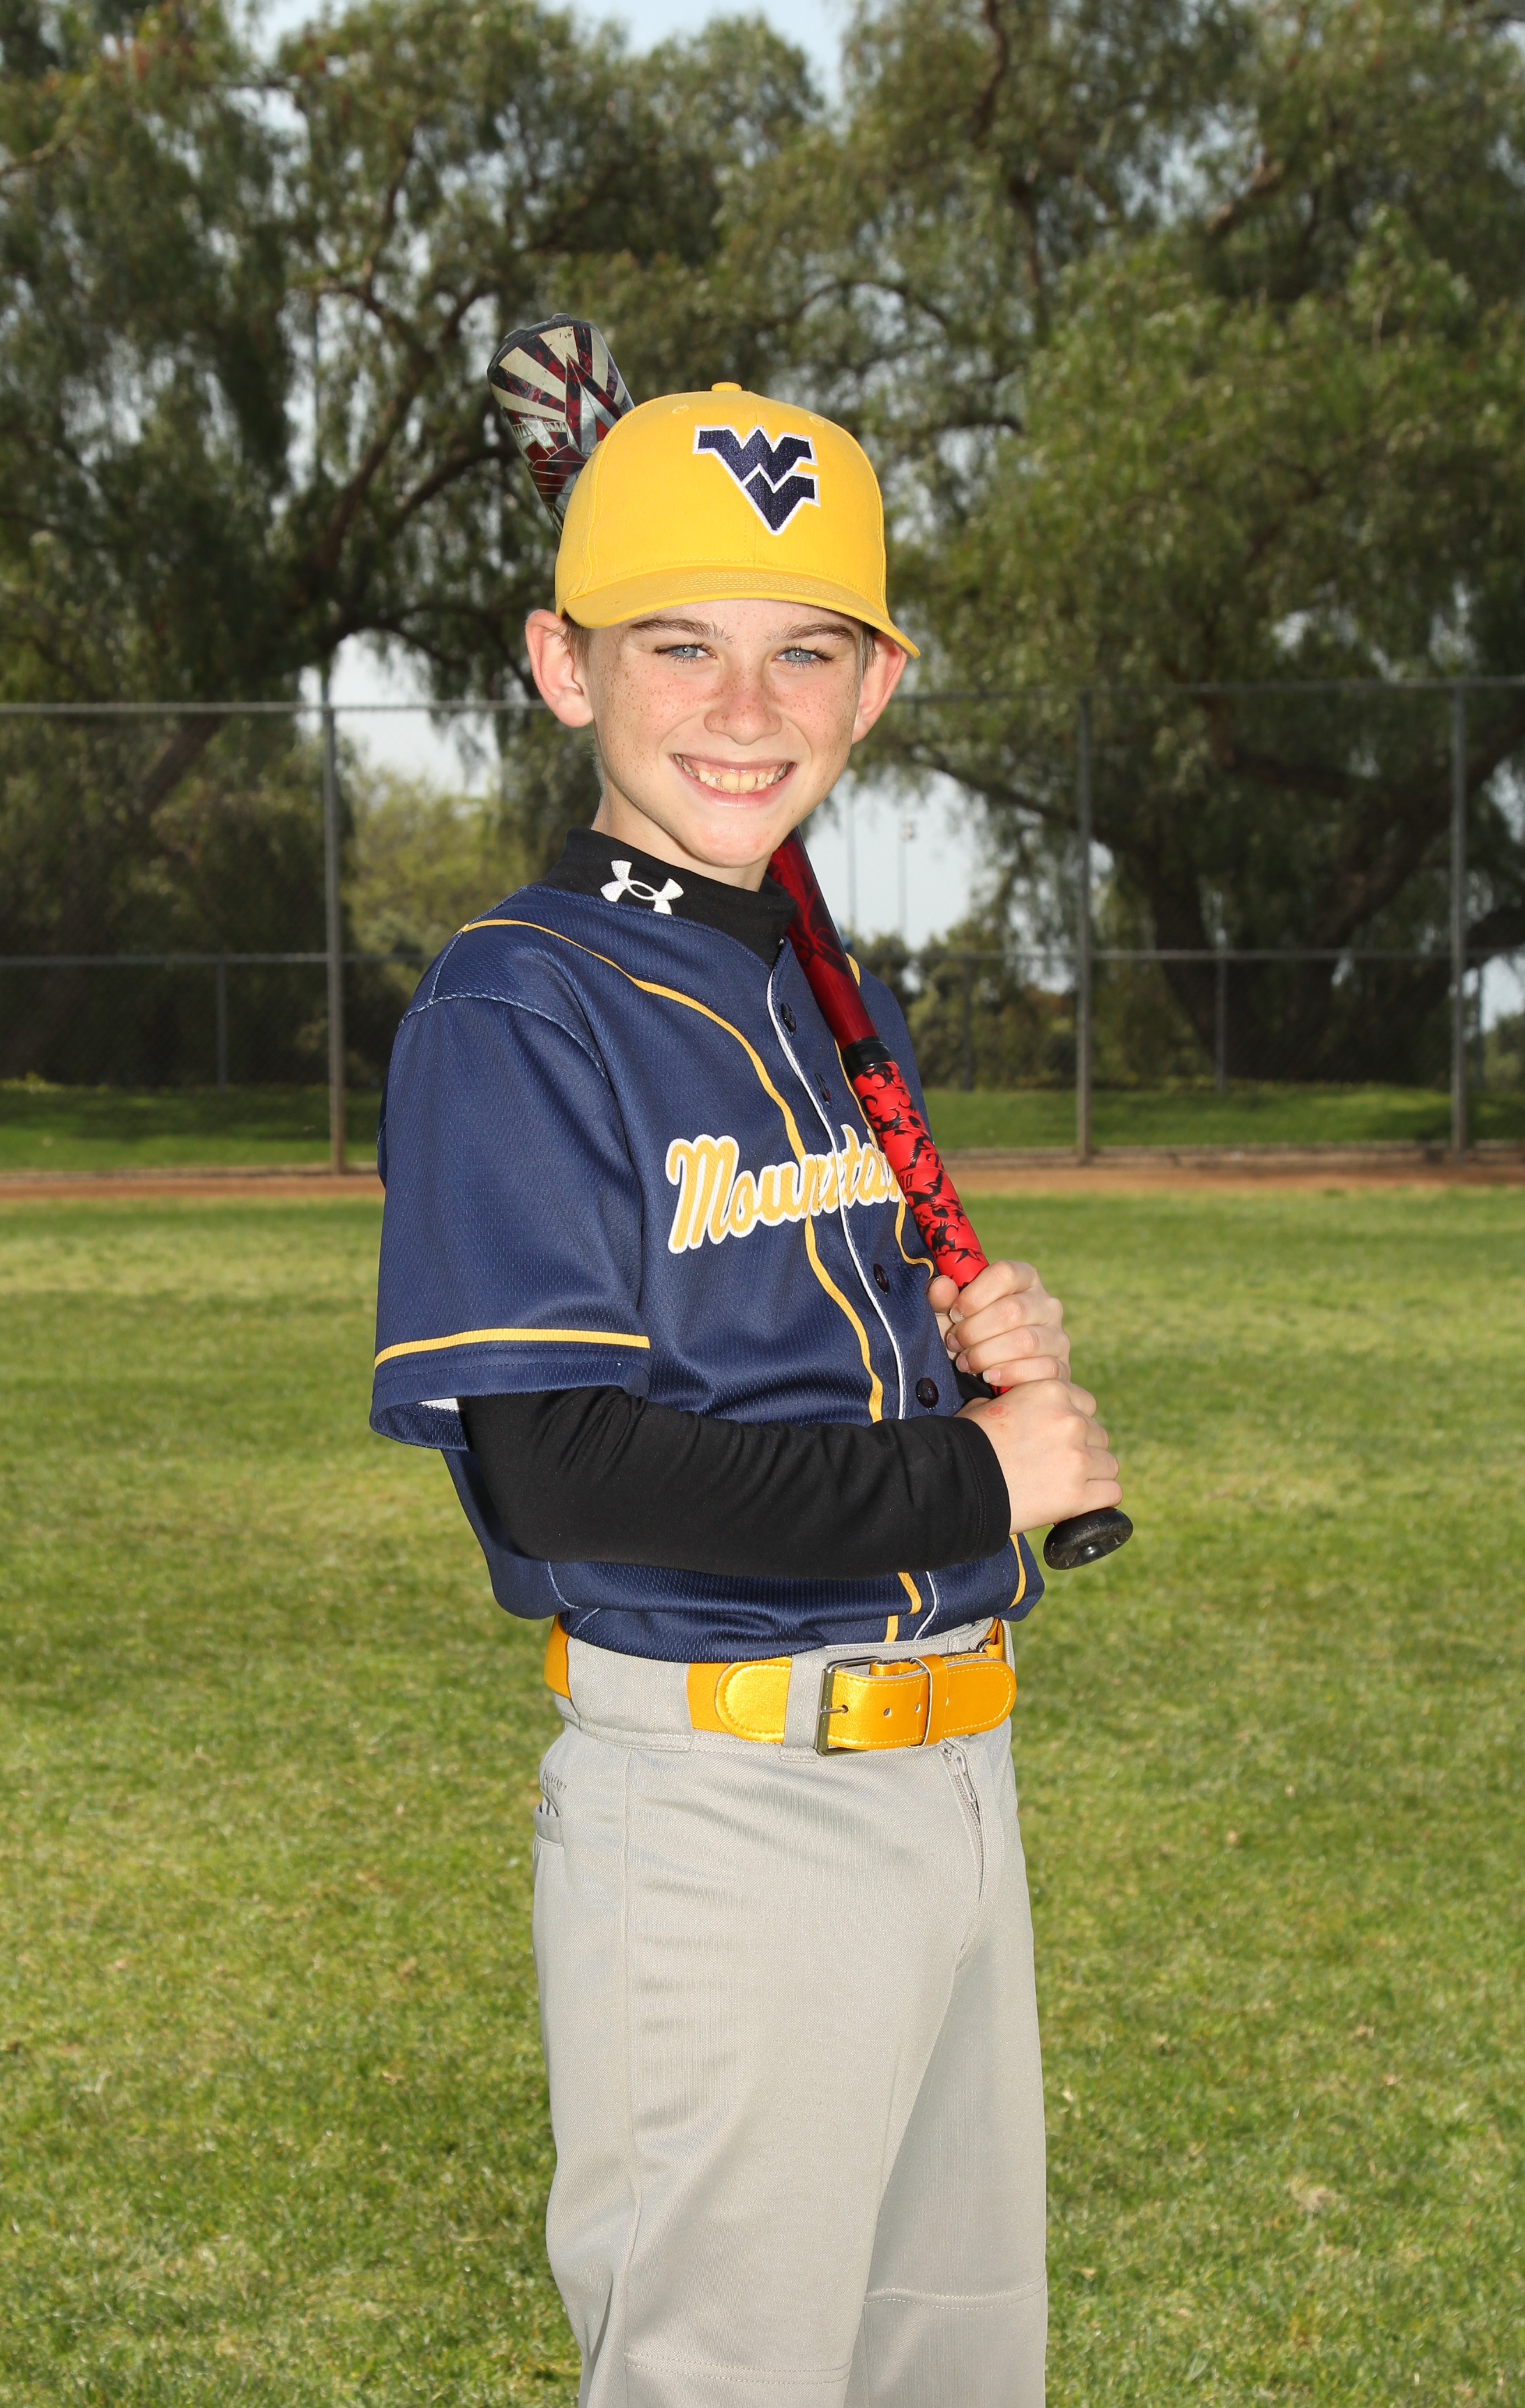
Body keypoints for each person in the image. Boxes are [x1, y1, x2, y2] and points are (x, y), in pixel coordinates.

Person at [371, 382, 1121, 2407]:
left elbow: (789, 1343)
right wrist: (971, 1476)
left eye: (804, 652)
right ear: (564, 668)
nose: (742, 707)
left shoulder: (798, 976)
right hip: (724, 1806)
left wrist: (958, 1344)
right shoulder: (519, 1002)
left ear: (877, 686)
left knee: (953, 2367)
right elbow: (560, 1471)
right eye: (678, 645)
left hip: (952, 1773)